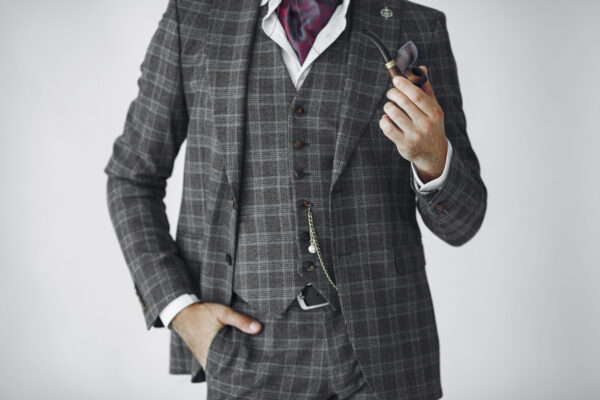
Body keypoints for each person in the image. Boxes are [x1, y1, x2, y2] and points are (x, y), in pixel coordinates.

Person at [104, 0, 487, 398]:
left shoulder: (416, 26)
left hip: (387, 352)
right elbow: (131, 178)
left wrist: (432, 159)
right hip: (246, 352)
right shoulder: (197, 17)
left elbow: (463, 222)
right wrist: (179, 310)